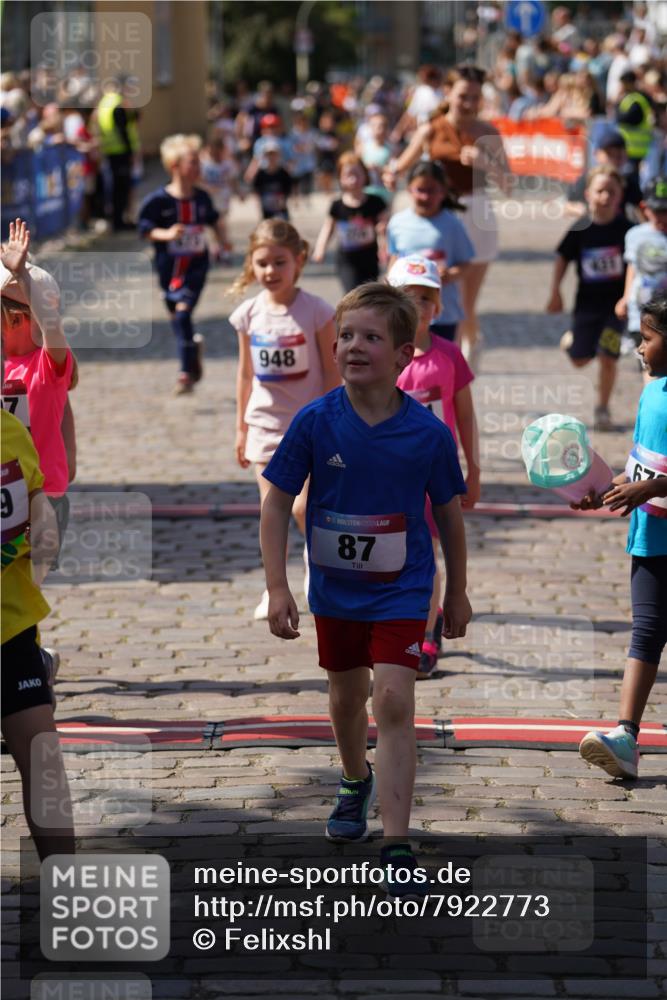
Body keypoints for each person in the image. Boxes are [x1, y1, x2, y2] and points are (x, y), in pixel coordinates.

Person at [259, 282, 471, 894]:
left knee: (395, 699)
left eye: (371, 337)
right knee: (347, 697)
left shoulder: (427, 434)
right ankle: (355, 779)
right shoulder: (315, 422)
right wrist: (278, 587)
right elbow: (275, 505)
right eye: (346, 336)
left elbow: (450, 516)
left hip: (404, 590)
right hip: (335, 591)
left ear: (404, 355)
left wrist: (456, 592)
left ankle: (396, 837)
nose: (354, 346)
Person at [574, 294, 667, 779]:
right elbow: (642, 465)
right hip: (652, 533)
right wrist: (603, 492)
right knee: (646, 632)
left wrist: (652, 487)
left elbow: (654, 478)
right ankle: (626, 736)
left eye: (647, 339)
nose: (638, 348)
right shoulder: (653, 392)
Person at [228, 219, 339, 620]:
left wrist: (332, 418)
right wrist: (241, 427)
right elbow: (245, 374)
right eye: (262, 263)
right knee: (270, 508)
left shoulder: (317, 311)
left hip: (308, 427)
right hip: (264, 426)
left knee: (303, 506)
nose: (270, 271)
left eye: (279, 262)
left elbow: (331, 370)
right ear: (251, 265)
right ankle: (273, 587)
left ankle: (315, 571)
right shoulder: (248, 313)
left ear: (299, 261)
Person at [390, 255, 480, 677]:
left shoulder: (448, 356)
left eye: (426, 298)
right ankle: (396, 624)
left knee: (427, 555)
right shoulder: (384, 358)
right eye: (408, 297)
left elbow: (465, 415)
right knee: (395, 554)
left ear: (438, 307)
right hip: (389, 474)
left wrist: (473, 469)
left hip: (435, 473)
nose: (418, 306)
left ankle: (427, 633)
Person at [386, 65, 511, 363]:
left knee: (468, 301)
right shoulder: (431, 128)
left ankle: (466, 349)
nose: (468, 103)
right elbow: (402, 166)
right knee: (439, 290)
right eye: (463, 96)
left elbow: (509, 184)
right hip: (440, 219)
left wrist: (485, 163)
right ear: (449, 94)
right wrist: (390, 174)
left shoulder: (488, 131)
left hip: (477, 212)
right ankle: (434, 352)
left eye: (475, 97)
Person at [1, 408, 75, 859]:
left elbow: (38, 509)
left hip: (10, 623)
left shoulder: (8, 431)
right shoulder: (8, 428)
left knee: (42, 754)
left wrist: (43, 532)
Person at [2, 219, 74, 583]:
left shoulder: (47, 365)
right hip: (5, 490)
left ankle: (28, 642)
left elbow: (53, 330)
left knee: (32, 583)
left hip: (42, 494)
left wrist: (23, 279)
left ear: (15, 317)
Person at [546, 167, 633, 431]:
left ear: (620, 196)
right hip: (586, 306)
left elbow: (633, 264)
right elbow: (562, 258)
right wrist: (555, 291)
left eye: (611, 191)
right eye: (600, 191)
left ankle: (602, 407)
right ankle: (572, 341)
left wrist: (628, 297)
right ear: (588, 194)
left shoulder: (628, 230)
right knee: (580, 359)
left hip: (615, 310)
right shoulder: (581, 228)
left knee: (609, 356)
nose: (605, 196)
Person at [138, 134, 224, 395]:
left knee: (184, 313)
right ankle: (192, 351)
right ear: (175, 165)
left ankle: (186, 373)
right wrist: (166, 234)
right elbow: (145, 229)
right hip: (168, 268)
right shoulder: (158, 201)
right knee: (177, 318)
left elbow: (215, 221)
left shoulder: (202, 199)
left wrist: (222, 243)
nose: (198, 168)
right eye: (193, 162)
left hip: (196, 266)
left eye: (199, 162)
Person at [386, 161, 474, 346]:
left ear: (443, 191)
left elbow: (466, 264)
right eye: (420, 189)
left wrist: (450, 274)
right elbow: (394, 258)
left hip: (443, 312)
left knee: (440, 367)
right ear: (409, 189)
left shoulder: (452, 225)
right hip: (405, 312)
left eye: (432, 190)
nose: (426, 196)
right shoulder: (397, 223)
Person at [312, 153, 388, 292]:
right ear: (340, 178)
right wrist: (320, 249)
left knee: (368, 294)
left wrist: (384, 244)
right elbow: (328, 228)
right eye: (348, 175)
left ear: (365, 176)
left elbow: (385, 227)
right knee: (352, 293)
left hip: (369, 258)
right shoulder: (337, 205)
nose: (353, 179)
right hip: (347, 260)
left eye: (357, 174)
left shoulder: (376, 202)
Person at [616, 176, 667, 355]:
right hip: (641, 311)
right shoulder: (635, 235)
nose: (663, 216)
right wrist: (625, 297)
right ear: (645, 208)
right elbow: (633, 267)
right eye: (658, 211)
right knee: (648, 362)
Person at [565, 126, 643, 221]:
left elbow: (641, 208)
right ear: (597, 154)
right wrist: (586, 211)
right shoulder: (588, 178)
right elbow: (569, 205)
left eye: (618, 155)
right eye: (610, 154)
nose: (614, 159)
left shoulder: (629, 181)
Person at [96, 79, 141, 231]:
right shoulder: (118, 103)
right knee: (121, 188)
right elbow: (123, 129)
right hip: (121, 152)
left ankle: (117, 220)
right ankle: (119, 222)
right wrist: (130, 152)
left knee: (115, 188)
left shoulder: (103, 103)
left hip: (110, 151)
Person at [199, 130, 240, 263]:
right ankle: (219, 246)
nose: (215, 153)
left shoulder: (227, 164)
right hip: (209, 199)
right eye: (212, 150)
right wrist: (207, 188)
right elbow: (199, 180)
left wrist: (239, 192)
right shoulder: (204, 165)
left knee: (221, 222)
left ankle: (224, 247)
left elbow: (233, 180)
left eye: (218, 150)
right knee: (213, 225)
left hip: (223, 198)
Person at [252, 141, 292, 221]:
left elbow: (288, 189)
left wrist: (284, 199)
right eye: (269, 154)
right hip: (266, 209)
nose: (271, 157)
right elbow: (256, 189)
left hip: (280, 208)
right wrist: (258, 203)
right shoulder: (260, 173)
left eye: (274, 154)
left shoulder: (283, 173)